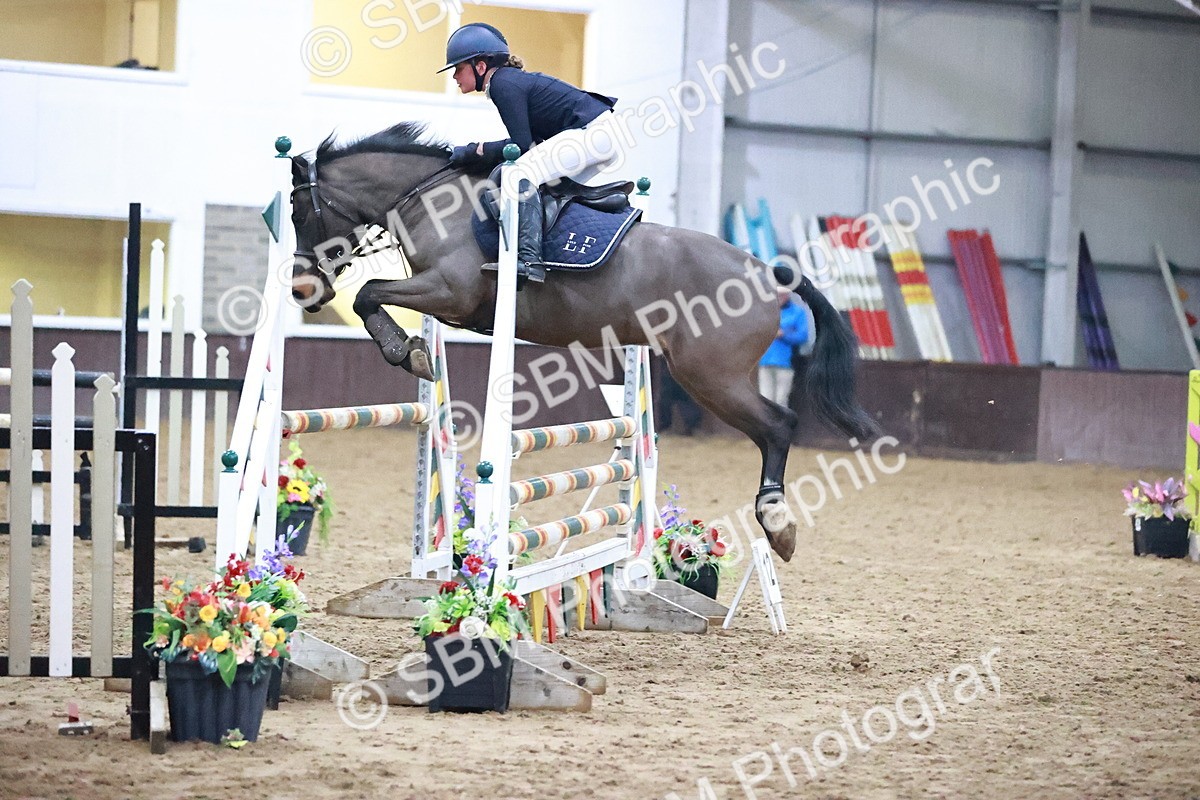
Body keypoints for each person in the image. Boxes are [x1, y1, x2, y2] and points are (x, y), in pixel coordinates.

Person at [439, 22, 624, 283]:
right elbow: (531, 143)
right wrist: (480, 151)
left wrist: (476, 151)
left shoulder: (502, 84)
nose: (455, 77)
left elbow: (521, 147)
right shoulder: (508, 81)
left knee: (518, 174)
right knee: (548, 186)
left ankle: (528, 260)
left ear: (480, 66)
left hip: (593, 134)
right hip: (600, 135)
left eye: (458, 68)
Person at [758, 286, 810, 408]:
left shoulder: (797, 312)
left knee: (781, 400)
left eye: (781, 294)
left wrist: (783, 335)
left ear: (787, 295)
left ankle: (780, 420)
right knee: (766, 399)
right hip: (766, 361)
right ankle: (769, 421)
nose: (778, 297)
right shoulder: (767, 312)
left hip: (785, 362)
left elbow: (803, 336)